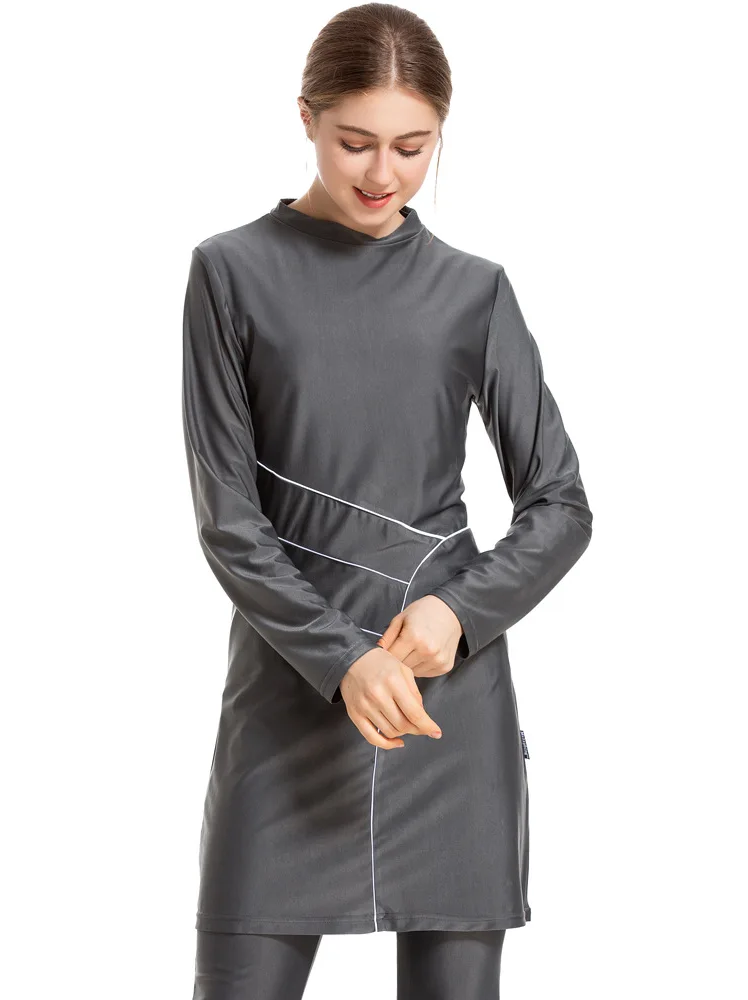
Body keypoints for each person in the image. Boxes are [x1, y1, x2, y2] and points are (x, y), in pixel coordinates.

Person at [181, 5, 593, 997]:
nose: (382, 174)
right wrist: (342, 658)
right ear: (306, 118)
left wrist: (461, 612)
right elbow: (229, 521)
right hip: (287, 700)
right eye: (354, 141)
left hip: (444, 703)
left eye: (413, 147)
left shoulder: (473, 291)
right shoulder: (230, 272)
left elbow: (560, 502)